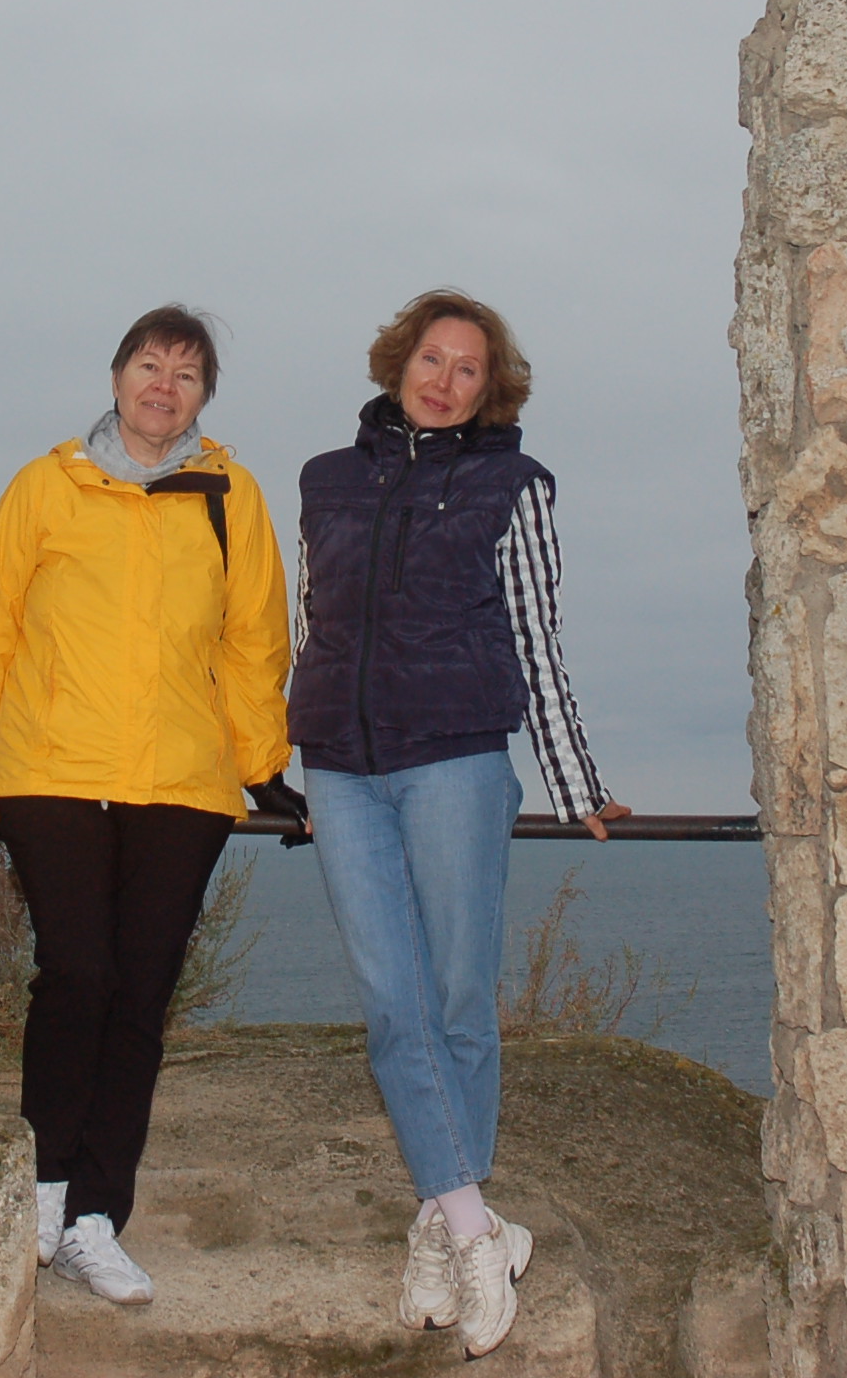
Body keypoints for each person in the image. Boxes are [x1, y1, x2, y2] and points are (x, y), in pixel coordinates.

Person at [289, 289, 630, 1359]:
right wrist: (287, 760)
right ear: (399, 362)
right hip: (341, 770)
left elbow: (536, 634)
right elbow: (309, 620)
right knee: (393, 1004)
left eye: (467, 367)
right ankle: (476, 1226)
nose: (443, 379)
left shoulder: (511, 486)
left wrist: (573, 780)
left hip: (454, 760)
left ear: (491, 389)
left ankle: (445, 1218)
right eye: (430, 358)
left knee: (456, 998)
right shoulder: (325, 479)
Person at [0, 305, 300, 1308]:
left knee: (140, 992)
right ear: (115, 378)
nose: (163, 387)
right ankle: (41, 1188)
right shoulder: (45, 485)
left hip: (180, 781)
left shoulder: (230, 494)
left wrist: (262, 766)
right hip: (50, 767)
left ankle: (95, 1217)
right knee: (77, 972)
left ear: (202, 398)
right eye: (149, 365)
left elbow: (253, 641)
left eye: (186, 375)